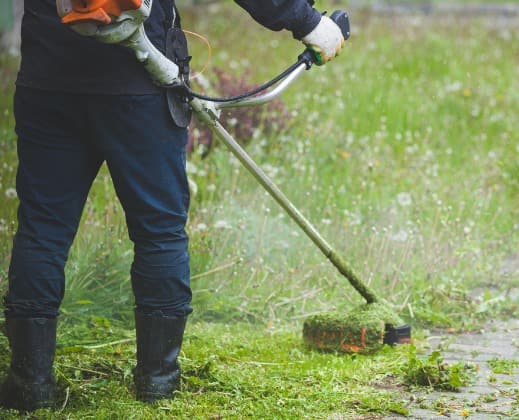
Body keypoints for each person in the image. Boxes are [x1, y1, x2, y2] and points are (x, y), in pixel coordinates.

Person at [0, 0, 344, 411]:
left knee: (42, 230)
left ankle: (29, 383)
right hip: (140, 87)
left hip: (49, 77)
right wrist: (308, 23)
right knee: (158, 232)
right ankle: (157, 383)